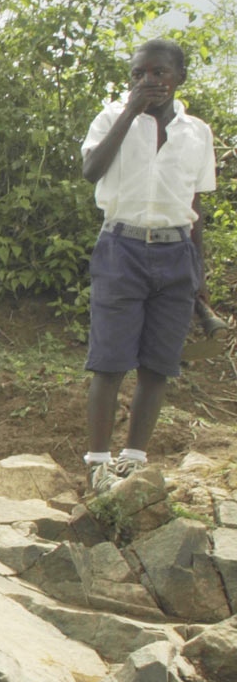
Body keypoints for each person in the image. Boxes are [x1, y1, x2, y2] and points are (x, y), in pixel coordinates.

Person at [79, 38, 215, 494]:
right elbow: (92, 170)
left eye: (159, 72)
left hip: (177, 253)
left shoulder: (197, 133)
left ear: (179, 78)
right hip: (121, 248)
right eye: (138, 74)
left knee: (159, 364)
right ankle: (98, 464)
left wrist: (199, 274)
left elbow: (194, 206)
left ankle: (134, 460)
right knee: (110, 361)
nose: (148, 81)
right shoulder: (110, 118)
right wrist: (129, 113)